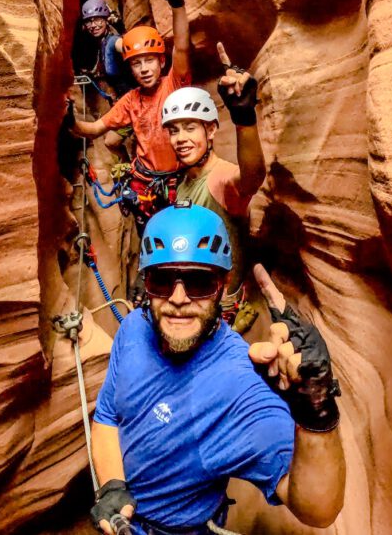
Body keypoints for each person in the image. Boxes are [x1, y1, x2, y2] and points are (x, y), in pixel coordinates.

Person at [89, 203, 345, 535]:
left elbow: (319, 509)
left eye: (198, 282)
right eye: (163, 280)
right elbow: (107, 416)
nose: (179, 298)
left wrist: (316, 411)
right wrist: (112, 485)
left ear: (222, 286)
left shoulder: (240, 386)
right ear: (146, 285)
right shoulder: (134, 330)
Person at [70, 0, 193, 221]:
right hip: (147, 185)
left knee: (113, 142)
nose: (144, 68)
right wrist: (66, 120)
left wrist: (177, 4)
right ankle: (129, 168)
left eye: (149, 61)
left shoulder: (173, 84)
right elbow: (93, 129)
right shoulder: (131, 101)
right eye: (136, 63)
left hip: (178, 182)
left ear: (161, 62)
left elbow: (181, 46)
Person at [160, 42, 266, 331]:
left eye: (190, 127)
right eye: (174, 130)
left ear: (211, 130)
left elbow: (252, 177)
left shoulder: (220, 177)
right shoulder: (183, 182)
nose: (180, 138)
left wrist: (244, 118)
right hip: (194, 298)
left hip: (220, 312)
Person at [80, 0, 133, 98]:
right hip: (122, 98)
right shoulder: (102, 43)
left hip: (131, 96)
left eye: (98, 20)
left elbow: (129, 48)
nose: (93, 25)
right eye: (89, 22)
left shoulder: (114, 41)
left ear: (106, 20)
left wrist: (122, 31)